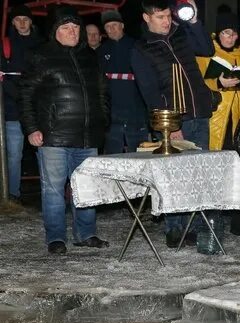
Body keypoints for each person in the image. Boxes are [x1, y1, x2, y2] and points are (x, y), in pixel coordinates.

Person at [19, 5, 109, 254]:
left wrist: (102, 122)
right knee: (53, 190)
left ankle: (86, 233)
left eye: (76, 27)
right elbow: (26, 95)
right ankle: (56, 238)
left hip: (87, 136)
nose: (73, 31)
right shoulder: (40, 55)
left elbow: (102, 93)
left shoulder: (89, 56)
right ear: (55, 31)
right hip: (53, 136)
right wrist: (32, 128)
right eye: (66, 27)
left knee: (86, 189)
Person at [131, 0, 215, 248]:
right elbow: (150, 93)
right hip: (175, 121)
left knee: (198, 174)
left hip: (199, 113)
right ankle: (174, 228)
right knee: (173, 176)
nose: (166, 21)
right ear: (147, 18)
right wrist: (170, 125)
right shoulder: (142, 48)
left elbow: (207, 49)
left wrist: (193, 21)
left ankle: (197, 225)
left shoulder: (181, 34)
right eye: (160, 17)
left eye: (168, 16)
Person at [196, 13, 240, 237]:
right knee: (214, 169)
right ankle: (213, 216)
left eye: (233, 33)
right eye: (225, 32)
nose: (230, 37)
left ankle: (237, 219)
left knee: (238, 170)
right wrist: (219, 83)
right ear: (218, 33)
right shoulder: (207, 52)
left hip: (238, 121)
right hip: (216, 120)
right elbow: (199, 83)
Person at [1, 4, 44, 203]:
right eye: (18, 19)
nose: (22, 22)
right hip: (13, 110)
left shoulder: (42, 43)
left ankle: (50, 192)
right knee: (13, 155)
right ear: (12, 22)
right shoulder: (5, 45)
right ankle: (12, 196)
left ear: (31, 21)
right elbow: (3, 77)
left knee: (44, 154)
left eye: (25, 19)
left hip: (39, 110)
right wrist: (20, 96)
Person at [97, 9, 148, 154]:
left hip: (136, 114)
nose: (112, 29)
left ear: (122, 26)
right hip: (112, 116)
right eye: (108, 26)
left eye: (115, 25)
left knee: (139, 157)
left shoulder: (138, 47)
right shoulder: (101, 52)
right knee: (113, 159)